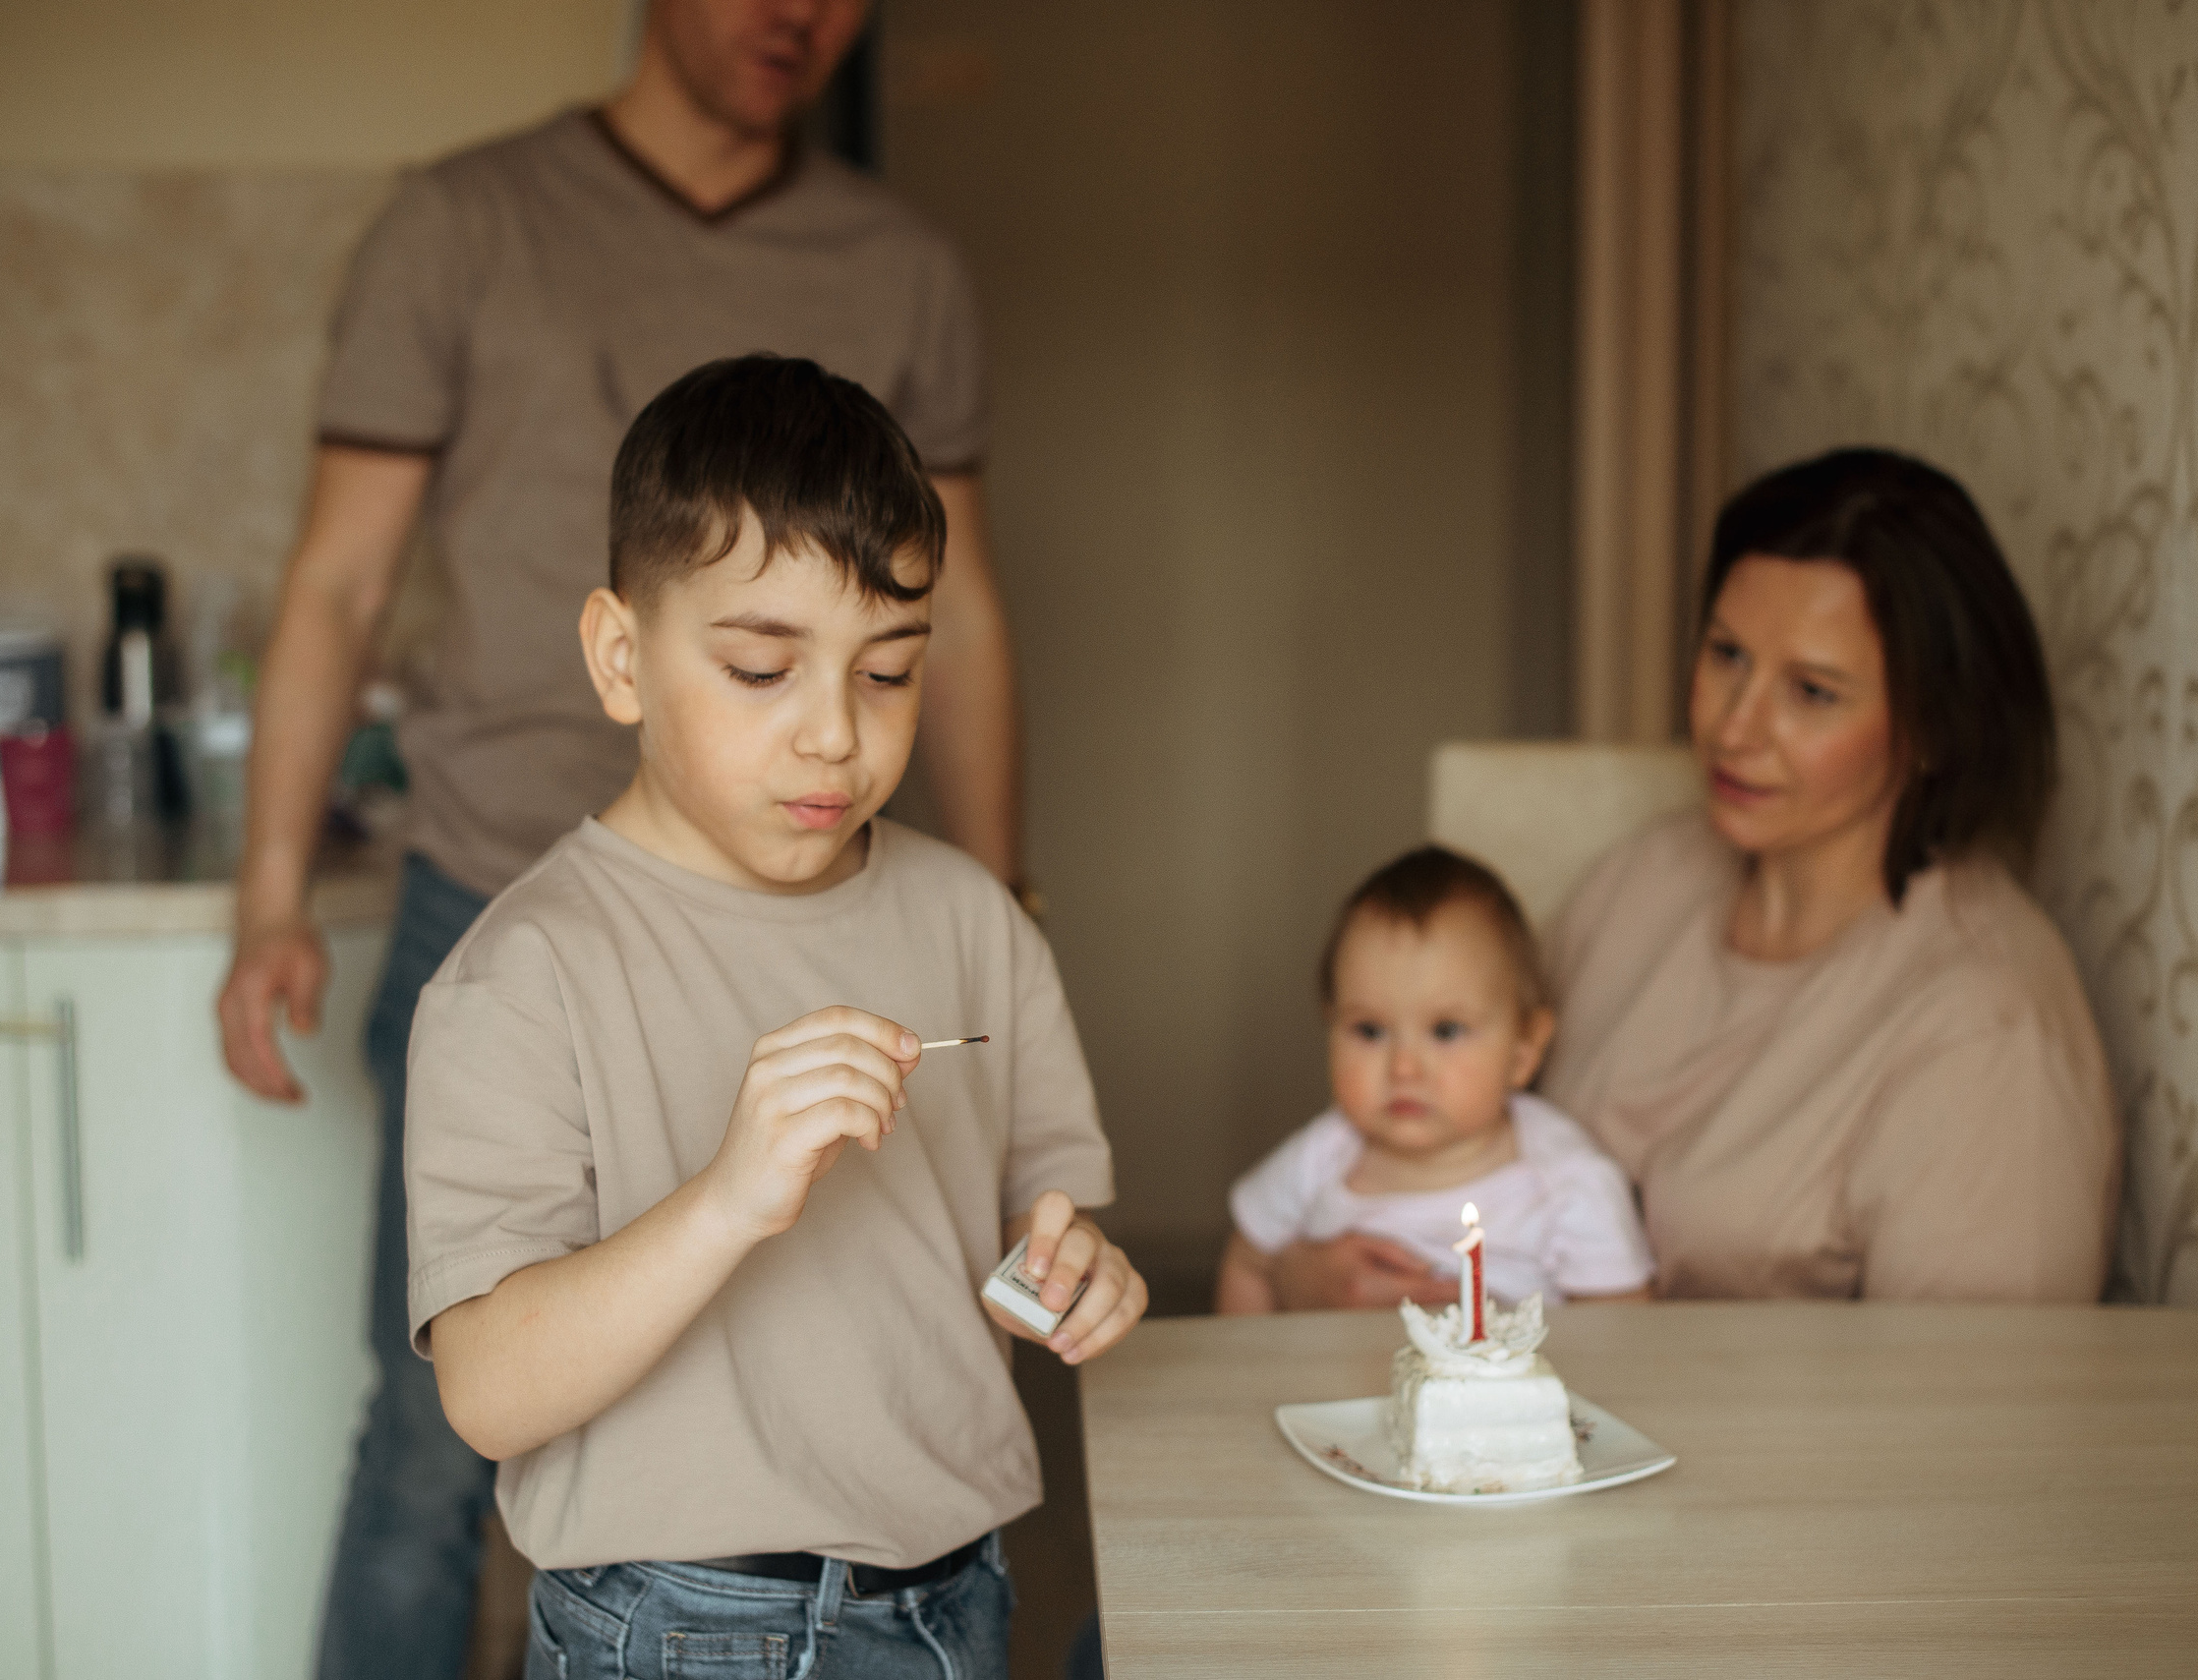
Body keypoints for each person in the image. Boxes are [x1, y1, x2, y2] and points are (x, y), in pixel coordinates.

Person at [212, 5, 1024, 1672]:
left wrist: (1002, 897)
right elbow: (339, 580)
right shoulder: (465, 222)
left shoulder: (902, 265)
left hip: (803, 922)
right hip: (489, 888)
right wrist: (270, 894)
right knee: (437, 1445)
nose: (797, 14)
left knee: (772, 1392)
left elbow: (966, 614)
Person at [410, 355, 1144, 1675]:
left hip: (955, 1597)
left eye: (888, 672)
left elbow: (1031, 1226)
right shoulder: (523, 973)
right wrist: (727, 1199)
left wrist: (1071, 1268)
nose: (834, 736)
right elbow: (487, 1391)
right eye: (762, 669)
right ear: (621, 657)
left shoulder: (972, 918)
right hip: (676, 1623)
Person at [1539, 447, 2120, 1301]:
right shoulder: (1648, 874)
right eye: (1727, 654)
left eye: (1811, 692)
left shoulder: (1988, 1032)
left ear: (1933, 728)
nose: (1735, 728)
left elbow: (1973, 1384)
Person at [1216, 845, 1653, 1313]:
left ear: (1523, 1050)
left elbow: (1620, 1329)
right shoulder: (1320, 1156)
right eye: (1370, 1031)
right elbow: (1247, 1265)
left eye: (1446, 1031)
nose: (1404, 1068)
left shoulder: (1569, 1184)